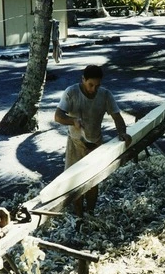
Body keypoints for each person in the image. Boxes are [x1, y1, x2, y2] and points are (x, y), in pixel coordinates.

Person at [54, 64, 132, 222]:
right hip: (75, 143)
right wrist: (72, 121)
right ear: (83, 79)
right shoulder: (71, 92)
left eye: (97, 85)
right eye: (90, 85)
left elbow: (117, 116)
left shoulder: (105, 95)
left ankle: (90, 213)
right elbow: (57, 116)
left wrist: (122, 132)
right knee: (75, 182)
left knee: (92, 182)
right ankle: (78, 216)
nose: (93, 89)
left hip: (96, 143)